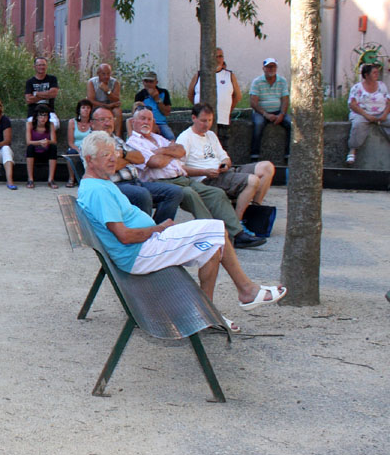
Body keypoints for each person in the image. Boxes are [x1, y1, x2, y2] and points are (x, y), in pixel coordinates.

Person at [77, 130, 286, 332]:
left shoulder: (100, 183)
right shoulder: (97, 191)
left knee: (212, 246)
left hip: (145, 246)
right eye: (105, 155)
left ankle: (206, 314)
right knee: (217, 230)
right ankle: (246, 290)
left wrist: (157, 230)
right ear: (89, 159)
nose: (113, 158)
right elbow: (124, 236)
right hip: (139, 253)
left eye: (114, 153)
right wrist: (158, 228)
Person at [126, 107, 265, 248]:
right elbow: (155, 162)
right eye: (142, 119)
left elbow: (181, 151)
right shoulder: (133, 142)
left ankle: (237, 234)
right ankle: (212, 235)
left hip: (181, 178)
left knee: (216, 193)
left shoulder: (157, 138)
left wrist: (161, 151)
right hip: (161, 183)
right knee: (190, 194)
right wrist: (171, 153)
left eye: (149, 119)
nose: (146, 122)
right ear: (133, 122)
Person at [176, 103, 274, 223]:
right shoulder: (185, 138)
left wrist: (225, 164)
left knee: (267, 167)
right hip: (206, 179)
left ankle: (255, 209)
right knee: (252, 181)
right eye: (203, 121)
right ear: (194, 118)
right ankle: (237, 222)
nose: (207, 124)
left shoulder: (211, 135)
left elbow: (225, 157)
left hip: (224, 173)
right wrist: (205, 172)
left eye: (210, 120)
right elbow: (179, 167)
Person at [87, 108, 183, 223]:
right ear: (92, 123)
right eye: (102, 120)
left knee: (175, 192)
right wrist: (129, 158)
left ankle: (158, 229)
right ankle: (145, 229)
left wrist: (123, 154)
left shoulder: (116, 139)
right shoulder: (91, 142)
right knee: (141, 194)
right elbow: (109, 167)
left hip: (136, 182)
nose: (107, 123)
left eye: (110, 119)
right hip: (113, 185)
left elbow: (140, 158)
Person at [189, 47, 241, 148]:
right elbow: (190, 94)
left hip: (222, 120)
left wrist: (228, 109)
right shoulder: (199, 75)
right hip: (202, 122)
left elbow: (237, 96)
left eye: (220, 56)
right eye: (215, 56)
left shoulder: (229, 75)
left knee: (221, 149)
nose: (218, 59)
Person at [345, 63, 390, 164]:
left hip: (381, 113)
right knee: (358, 124)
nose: (377, 75)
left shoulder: (382, 85)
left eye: (377, 72)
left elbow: (388, 102)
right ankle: (352, 150)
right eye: (374, 73)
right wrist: (367, 116)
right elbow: (353, 105)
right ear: (366, 75)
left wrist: (384, 114)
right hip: (362, 114)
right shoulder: (357, 87)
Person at [249, 57, 292, 162]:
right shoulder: (257, 82)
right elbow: (253, 102)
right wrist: (266, 114)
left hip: (278, 111)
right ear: (263, 68)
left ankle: (289, 155)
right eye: (268, 67)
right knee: (258, 124)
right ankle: (254, 155)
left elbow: (285, 100)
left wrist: (282, 114)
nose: (271, 69)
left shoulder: (282, 81)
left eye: (273, 66)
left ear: (276, 68)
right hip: (261, 112)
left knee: (291, 124)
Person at [24, 56, 60, 134]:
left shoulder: (52, 79)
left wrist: (36, 94)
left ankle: (48, 141)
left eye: (43, 65)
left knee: (55, 125)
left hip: (49, 112)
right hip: (33, 112)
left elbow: (53, 94)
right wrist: (47, 94)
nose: (42, 67)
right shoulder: (30, 82)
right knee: (33, 126)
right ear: (34, 66)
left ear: (46, 66)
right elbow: (29, 100)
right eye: (39, 65)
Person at [135, 71, 175, 140]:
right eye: (146, 81)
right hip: (146, 123)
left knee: (170, 137)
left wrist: (157, 99)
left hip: (161, 123)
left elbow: (167, 112)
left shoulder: (164, 92)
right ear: (143, 82)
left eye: (151, 81)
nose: (148, 84)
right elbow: (137, 114)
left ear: (156, 82)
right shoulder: (140, 95)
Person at [26, 106, 58, 188]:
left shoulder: (51, 125)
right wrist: (40, 142)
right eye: (40, 115)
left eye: (45, 115)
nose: (43, 118)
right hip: (35, 150)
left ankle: (51, 179)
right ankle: (30, 179)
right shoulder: (30, 124)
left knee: (53, 147)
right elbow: (28, 142)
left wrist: (47, 141)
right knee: (30, 148)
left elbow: (54, 141)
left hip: (46, 150)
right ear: (36, 116)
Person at [65, 98, 94, 187]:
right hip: (76, 147)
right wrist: (79, 150)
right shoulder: (72, 122)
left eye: (88, 108)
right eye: (83, 107)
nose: (86, 110)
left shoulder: (93, 123)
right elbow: (70, 142)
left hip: (89, 147)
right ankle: (71, 178)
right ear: (79, 110)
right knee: (70, 153)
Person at [86, 63, 121, 134]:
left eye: (108, 74)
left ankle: (117, 135)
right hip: (96, 106)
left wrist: (107, 91)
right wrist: (106, 106)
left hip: (110, 106)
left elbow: (116, 100)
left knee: (117, 111)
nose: (106, 76)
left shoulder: (115, 82)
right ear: (98, 74)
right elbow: (91, 100)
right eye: (103, 74)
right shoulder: (92, 82)